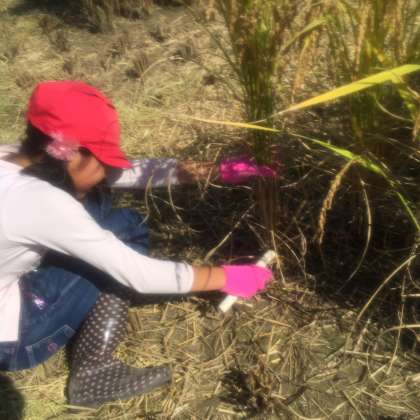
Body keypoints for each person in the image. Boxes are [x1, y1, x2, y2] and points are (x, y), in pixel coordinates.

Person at [0, 80, 274, 408]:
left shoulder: (13, 156)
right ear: (71, 155)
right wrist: (227, 277)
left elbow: (129, 173)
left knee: (98, 200)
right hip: (15, 335)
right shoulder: (40, 201)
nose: (107, 171)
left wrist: (216, 171)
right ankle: (93, 371)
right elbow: (139, 274)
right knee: (126, 228)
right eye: (103, 160)